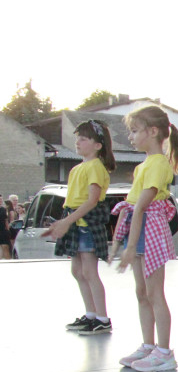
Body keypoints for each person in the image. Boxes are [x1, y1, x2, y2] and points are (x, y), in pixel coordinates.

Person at [110, 105, 178, 372]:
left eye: (134, 131)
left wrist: (129, 247)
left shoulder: (157, 164)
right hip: (139, 228)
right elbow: (131, 206)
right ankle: (148, 345)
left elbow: (141, 206)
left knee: (155, 293)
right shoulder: (145, 164)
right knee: (142, 292)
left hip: (150, 230)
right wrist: (120, 243)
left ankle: (164, 352)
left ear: (153, 131)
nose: (130, 137)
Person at [44, 120, 116, 334]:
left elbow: (92, 200)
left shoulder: (96, 167)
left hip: (87, 223)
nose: (78, 142)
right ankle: (91, 314)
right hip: (75, 222)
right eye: (78, 138)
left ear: (98, 145)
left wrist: (66, 221)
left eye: (84, 138)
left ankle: (103, 318)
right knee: (77, 270)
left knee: (89, 271)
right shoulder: (78, 168)